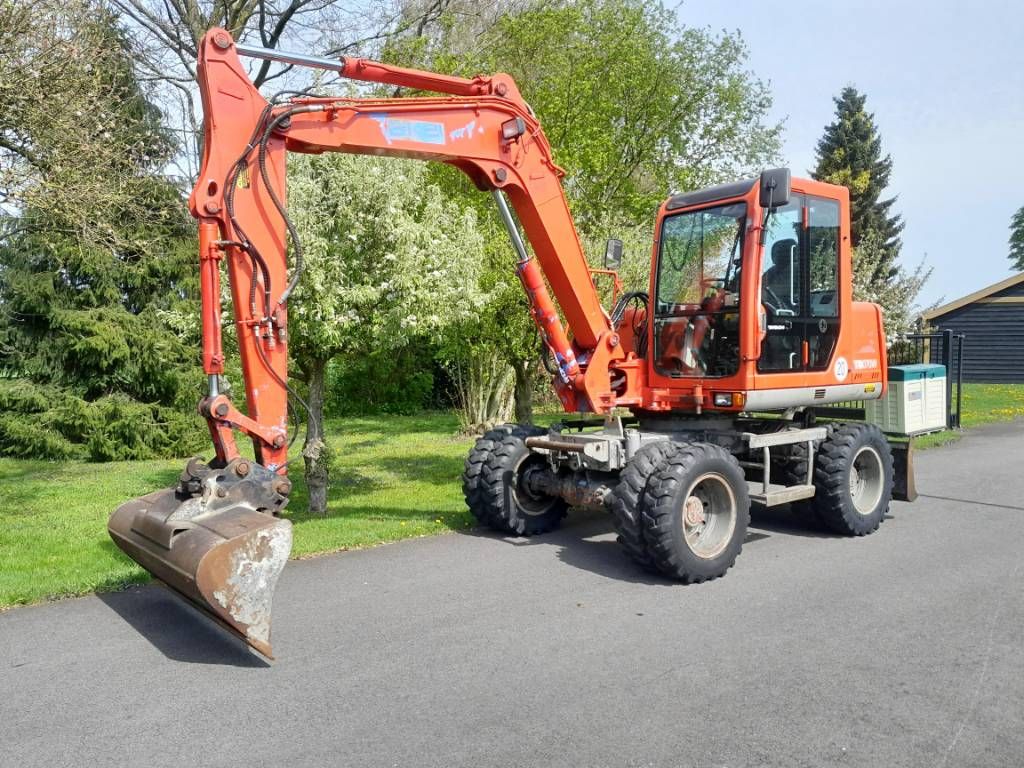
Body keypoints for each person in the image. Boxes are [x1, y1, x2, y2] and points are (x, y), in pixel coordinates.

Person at [762, 237, 798, 311]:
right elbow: (760, 287)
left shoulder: (796, 268)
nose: (777, 255)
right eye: (776, 253)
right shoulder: (771, 271)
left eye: (780, 252)